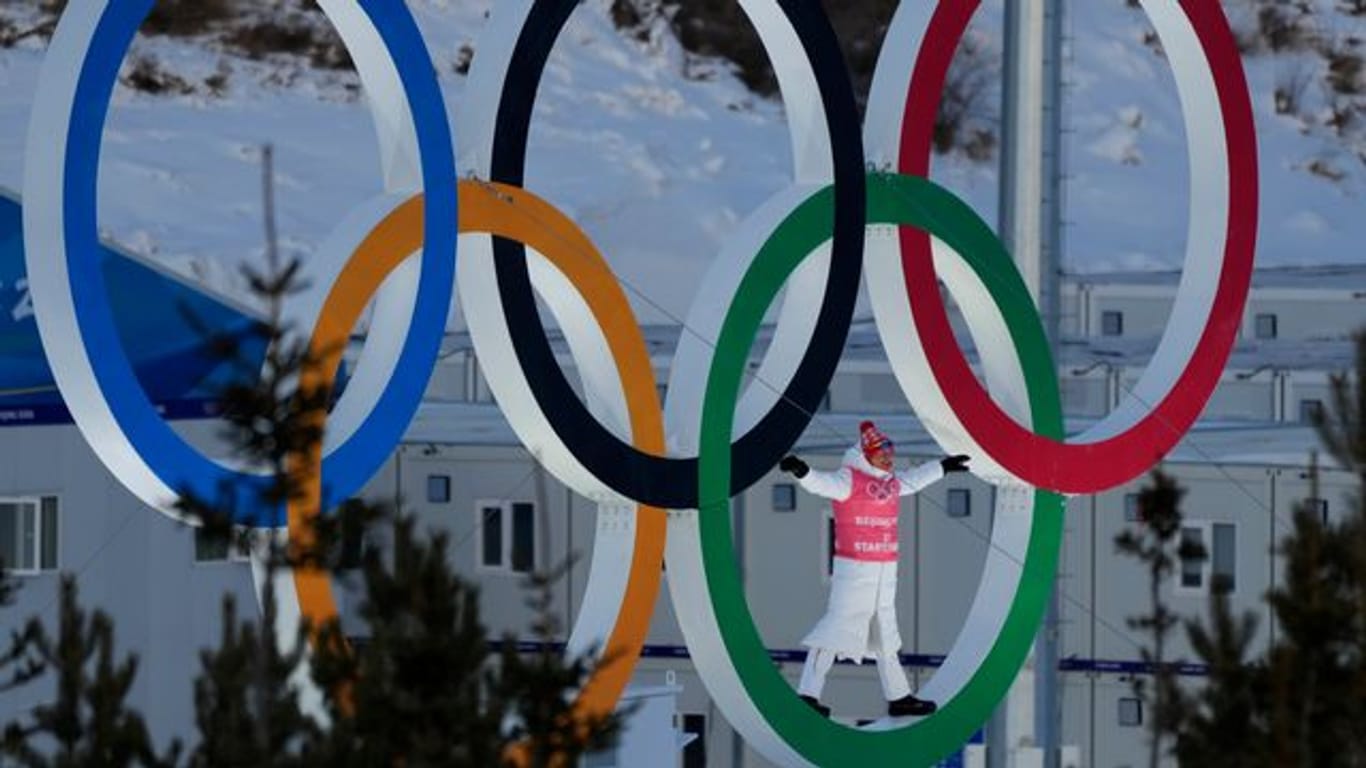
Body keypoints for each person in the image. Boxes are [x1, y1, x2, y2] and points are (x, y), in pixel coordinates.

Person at [778, 420, 970, 719]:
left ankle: (899, 697)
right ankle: (808, 693)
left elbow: (914, 479)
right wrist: (802, 471)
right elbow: (822, 484)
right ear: (867, 454)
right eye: (882, 453)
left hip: (884, 572)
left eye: (890, 451)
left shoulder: (891, 483)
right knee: (835, 630)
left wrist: (942, 467)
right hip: (855, 572)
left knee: (886, 635)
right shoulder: (849, 480)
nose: (888, 458)